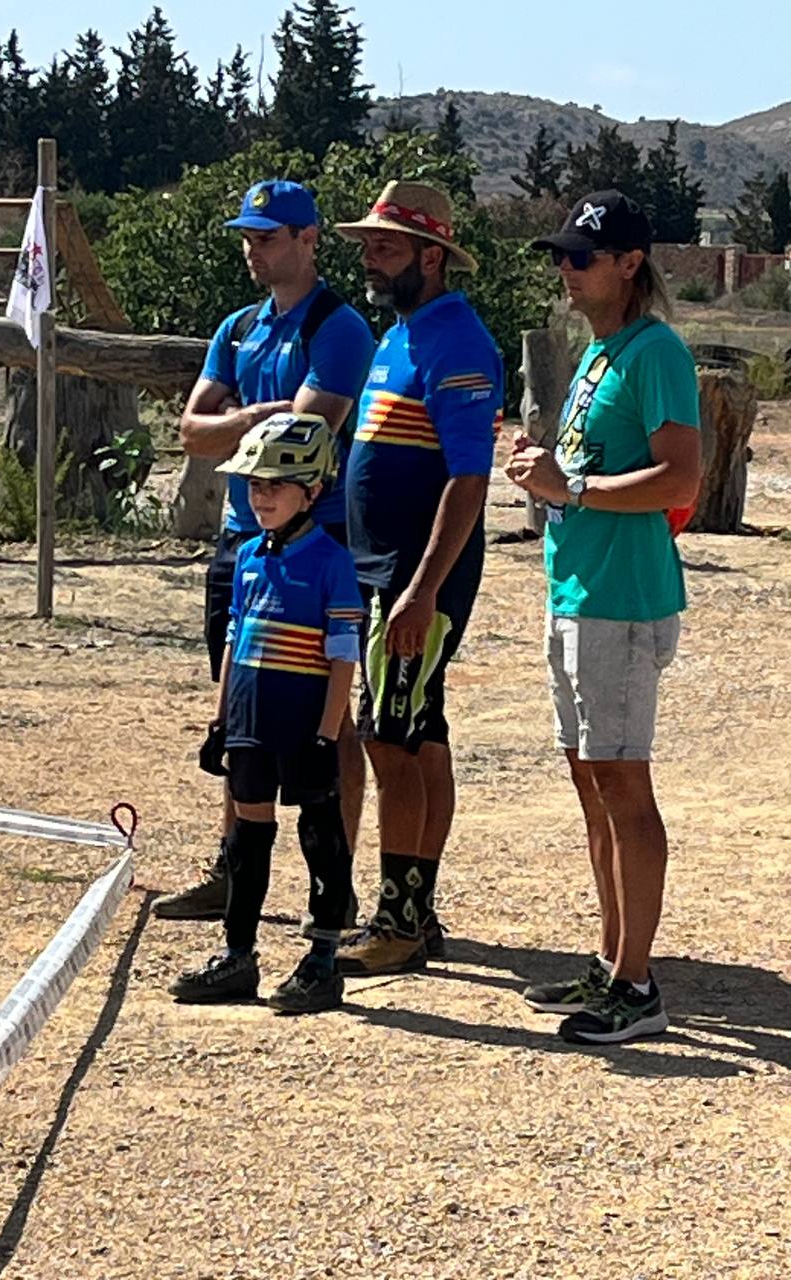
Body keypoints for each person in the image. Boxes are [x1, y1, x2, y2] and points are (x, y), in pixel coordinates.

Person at [506, 189, 701, 1045]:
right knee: (592, 783)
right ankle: (612, 956)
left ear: (630, 264)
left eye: (581, 258)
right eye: (561, 256)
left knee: (624, 783)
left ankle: (637, 985)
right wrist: (547, 473)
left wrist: (571, 487)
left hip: (621, 599)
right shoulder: (599, 354)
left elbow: (681, 481)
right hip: (579, 588)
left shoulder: (656, 352)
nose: (566, 270)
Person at [153, 179, 374, 921]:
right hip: (242, 544)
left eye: (268, 237)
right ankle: (233, 869)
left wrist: (240, 426)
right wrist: (263, 414)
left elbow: (298, 447)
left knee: (329, 715)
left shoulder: (338, 329)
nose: (253, 249)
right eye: (247, 236)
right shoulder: (238, 326)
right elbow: (190, 432)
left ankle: (332, 888)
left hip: (316, 544)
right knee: (241, 703)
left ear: (309, 240)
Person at [329, 181, 504, 977]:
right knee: (419, 734)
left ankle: (396, 922)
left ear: (432, 258)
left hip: (412, 578)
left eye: (387, 248)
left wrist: (423, 587)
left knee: (389, 738)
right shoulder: (396, 334)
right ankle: (416, 912)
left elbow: (469, 479)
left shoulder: (458, 343)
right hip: (379, 571)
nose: (371, 260)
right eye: (367, 246)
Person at [168, 413, 364, 1014]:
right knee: (247, 837)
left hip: (303, 723)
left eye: (275, 485)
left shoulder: (331, 561)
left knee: (319, 835)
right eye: (254, 485)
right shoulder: (248, 557)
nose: (262, 497)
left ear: (312, 492)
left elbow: (342, 658)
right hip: (251, 720)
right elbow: (233, 641)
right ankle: (238, 956)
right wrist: (219, 721)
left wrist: (328, 736)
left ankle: (323, 957)